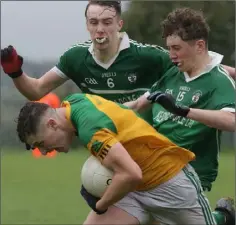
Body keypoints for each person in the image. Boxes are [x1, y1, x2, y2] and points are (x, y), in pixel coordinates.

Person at [0, 1, 235, 125]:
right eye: (94, 22)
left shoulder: (146, 56)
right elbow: (36, 90)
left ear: (119, 24)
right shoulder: (75, 57)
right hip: (103, 143)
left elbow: (201, 65)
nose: (100, 29)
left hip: (145, 144)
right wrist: (15, 71)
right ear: (87, 25)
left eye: (107, 22)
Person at [16, 92, 216, 225]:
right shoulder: (74, 102)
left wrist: (100, 204)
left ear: (52, 124)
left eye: (40, 144)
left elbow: (131, 174)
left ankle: (223, 216)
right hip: (132, 193)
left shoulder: (91, 130)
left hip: (171, 185)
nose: (43, 152)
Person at [124, 7, 235, 225]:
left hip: (192, 172)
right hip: (157, 166)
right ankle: (223, 218)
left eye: (177, 48)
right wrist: (95, 109)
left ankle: (222, 218)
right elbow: (137, 105)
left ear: (199, 46)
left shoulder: (218, 80)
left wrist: (184, 111)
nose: (171, 55)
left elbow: (232, 121)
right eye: (169, 48)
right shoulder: (173, 74)